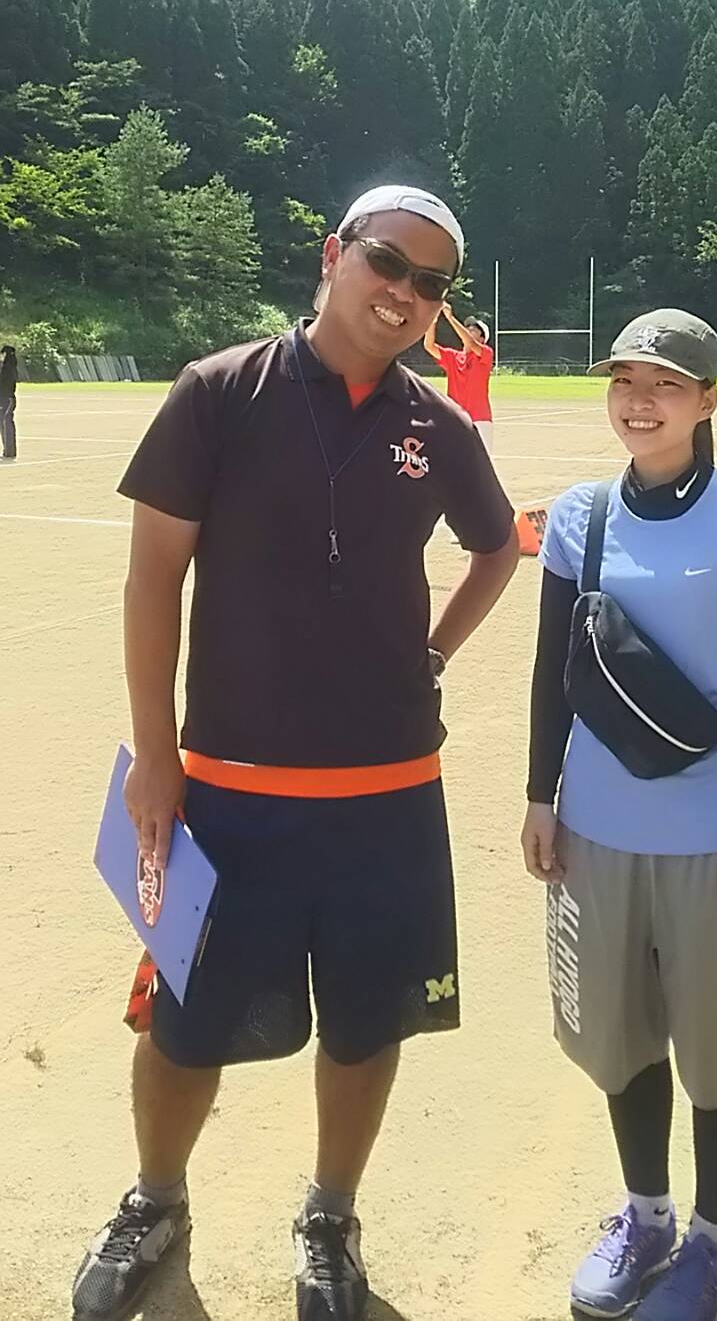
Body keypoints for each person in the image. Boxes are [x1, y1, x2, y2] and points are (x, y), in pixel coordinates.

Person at [73, 180, 519, 1321]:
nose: (406, 293)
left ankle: (330, 1218)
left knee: (370, 1023)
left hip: (389, 792)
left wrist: (430, 653)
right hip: (228, 788)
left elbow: (495, 549)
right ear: (333, 253)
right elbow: (152, 579)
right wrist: (156, 756)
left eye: (432, 283)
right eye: (388, 262)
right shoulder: (219, 391)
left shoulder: (439, 426)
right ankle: (156, 1200)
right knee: (183, 1025)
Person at [521, 308, 717, 1321]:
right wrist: (541, 795)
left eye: (666, 385)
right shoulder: (580, 515)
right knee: (623, 1036)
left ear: (708, 400)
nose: (639, 402)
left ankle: (716, 1246)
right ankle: (645, 1217)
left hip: (712, 832)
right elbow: (553, 672)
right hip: (595, 830)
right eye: (625, 382)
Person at [423, 303, 495, 455]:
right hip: (456, 419)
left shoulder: (486, 354)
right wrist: (433, 320)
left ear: (482, 339)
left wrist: (450, 318)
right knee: (455, 462)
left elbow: (470, 343)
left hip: (479, 419)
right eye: (467, 328)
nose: (468, 330)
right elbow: (429, 346)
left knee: (482, 463)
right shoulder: (453, 357)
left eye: (473, 330)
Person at [0, 344, 17, 460]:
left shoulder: (7, 369)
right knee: (4, 423)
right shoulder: (8, 367)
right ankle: (8, 450)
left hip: (6, 398)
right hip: (6, 398)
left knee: (6, 423)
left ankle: (9, 451)